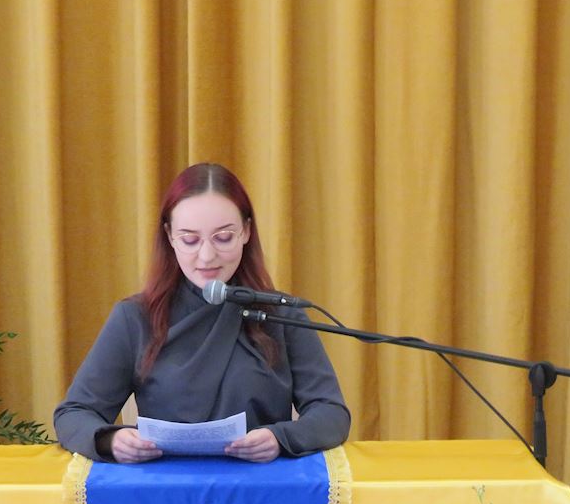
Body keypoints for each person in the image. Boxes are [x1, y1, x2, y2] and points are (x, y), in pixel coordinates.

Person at [54, 163, 350, 464]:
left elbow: (331, 413)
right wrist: (111, 440)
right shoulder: (135, 318)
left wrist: (280, 438)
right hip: (165, 487)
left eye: (223, 238)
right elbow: (73, 414)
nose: (207, 256)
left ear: (246, 231)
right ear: (169, 236)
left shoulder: (281, 315)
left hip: (262, 485)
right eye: (190, 240)